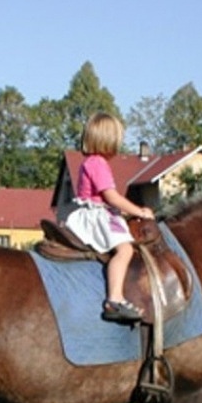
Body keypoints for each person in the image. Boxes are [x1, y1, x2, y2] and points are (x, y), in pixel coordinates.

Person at [61, 112, 155, 323]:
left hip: (93, 211)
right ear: (109, 140)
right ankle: (115, 299)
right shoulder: (98, 164)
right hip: (97, 216)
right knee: (125, 250)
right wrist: (139, 211)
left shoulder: (90, 162)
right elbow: (111, 197)